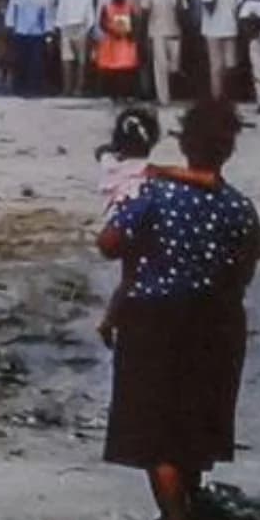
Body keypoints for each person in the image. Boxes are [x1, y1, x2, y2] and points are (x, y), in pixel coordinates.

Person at [98, 99, 260, 520]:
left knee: (156, 437)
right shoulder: (238, 206)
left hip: (154, 320)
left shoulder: (154, 195)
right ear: (229, 149)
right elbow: (253, 256)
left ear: (183, 142)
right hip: (216, 322)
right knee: (193, 434)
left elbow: (110, 245)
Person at [94, 105, 162, 349]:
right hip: (141, 223)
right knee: (135, 276)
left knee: (129, 277)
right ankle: (113, 320)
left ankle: (110, 321)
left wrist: (111, 150)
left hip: (116, 225)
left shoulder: (110, 165)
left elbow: (100, 153)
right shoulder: (151, 172)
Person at [141, 0, 185, 106]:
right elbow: (144, 13)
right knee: (160, 67)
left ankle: (170, 94)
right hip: (157, 33)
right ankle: (163, 99)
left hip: (174, 32)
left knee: (174, 67)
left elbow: (182, 12)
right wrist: (144, 36)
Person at [54, 0, 98, 98]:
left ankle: (79, 88)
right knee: (66, 61)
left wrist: (90, 28)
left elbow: (90, 10)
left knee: (82, 62)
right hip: (66, 28)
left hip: (82, 27)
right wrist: (58, 29)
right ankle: (67, 89)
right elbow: (61, 12)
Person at [200, 0, 242, 101]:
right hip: (212, 32)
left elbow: (238, 10)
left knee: (230, 65)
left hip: (230, 31)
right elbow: (209, 8)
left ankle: (228, 93)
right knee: (216, 67)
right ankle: (217, 96)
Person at [7, 0, 51, 98]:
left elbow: (46, 16)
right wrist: (48, 32)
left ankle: (27, 87)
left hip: (30, 33)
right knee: (28, 61)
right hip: (27, 32)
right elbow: (46, 17)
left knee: (30, 61)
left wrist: (47, 31)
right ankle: (27, 87)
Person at [95, 0, 140, 102]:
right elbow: (102, 23)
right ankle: (113, 95)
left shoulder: (129, 7)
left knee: (126, 70)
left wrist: (132, 33)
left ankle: (125, 95)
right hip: (112, 42)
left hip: (125, 42)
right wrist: (111, 30)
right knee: (111, 71)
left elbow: (135, 22)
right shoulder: (107, 7)